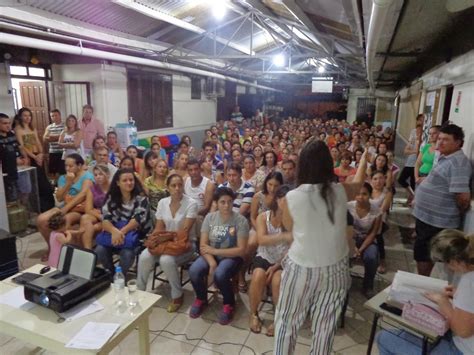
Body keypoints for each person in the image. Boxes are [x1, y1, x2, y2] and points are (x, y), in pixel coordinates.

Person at [274, 140, 367, 354]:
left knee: (287, 323)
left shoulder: (292, 197)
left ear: (302, 166)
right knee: (325, 329)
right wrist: (364, 160)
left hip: (301, 268)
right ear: (328, 165)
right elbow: (360, 181)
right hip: (336, 269)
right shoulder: (340, 191)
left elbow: (289, 228)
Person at [376, 229, 474, 355]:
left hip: (462, 350)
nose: (448, 268)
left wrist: (443, 302)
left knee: (383, 338)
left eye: (446, 263)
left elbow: (463, 331)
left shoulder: (469, 281)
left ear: (455, 261)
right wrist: (458, 294)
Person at [413, 124, 471, 276]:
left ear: (458, 142)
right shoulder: (446, 158)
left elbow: (463, 197)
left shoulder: (458, 163)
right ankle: (423, 280)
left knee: (425, 253)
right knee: (422, 251)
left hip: (437, 221)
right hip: (429, 218)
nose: (439, 142)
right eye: (439, 138)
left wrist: (450, 212)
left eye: (445, 139)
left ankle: (423, 282)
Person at [188, 187, 249, 324]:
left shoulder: (240, 221)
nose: (226, 205)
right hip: (210, 255)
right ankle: (201, 298)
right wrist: (212, 262)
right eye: (222, 202)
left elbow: (241, 250)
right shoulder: (210, 218)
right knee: (194, 270)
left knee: (220, 274)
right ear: (216, 203)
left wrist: (215, 252)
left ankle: (229, 304)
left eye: (229, 202)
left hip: (232, 257)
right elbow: (203, 246)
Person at [137, 174, 197, 312]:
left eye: (180, 185)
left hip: (185, 244)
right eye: (173, 185)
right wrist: (154, 238)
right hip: (166, 243)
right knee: (145, 256)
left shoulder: (191, 203)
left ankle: (177, 295)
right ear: (167, 188)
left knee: (166, 260)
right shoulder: (163, 203)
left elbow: (184, 232)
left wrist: (165, 237)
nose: (177, 188)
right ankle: (140, 291)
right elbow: (159, 227)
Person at [249, 185, 291, 336]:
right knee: (257, 276)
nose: (286, 204)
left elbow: (293, 249)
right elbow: (262, 240)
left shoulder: (293, 220)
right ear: (277, 200)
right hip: (265, 255)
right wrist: (283, 236)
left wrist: (276, 267)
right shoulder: (264, 217)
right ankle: (253, 314)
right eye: (284, 200)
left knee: (277, 280)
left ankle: (277, 318)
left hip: (283, 259)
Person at [36, 154, 94, 261]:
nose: (67, 168)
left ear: (79, 165)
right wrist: (68, 182)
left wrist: (66, 208)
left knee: (64, 220)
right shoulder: (63, 178)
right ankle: (51, 248)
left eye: (71, 166)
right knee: (41, 219)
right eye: (66, 166)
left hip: (77, 209)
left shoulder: (87, 176)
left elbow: (83, 194)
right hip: (64, 206)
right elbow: (59, 197)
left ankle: (66, 252)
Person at [95, 168, 151, 276]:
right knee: (100, 249)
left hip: (134, 236)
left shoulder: (142, 198)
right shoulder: (110, 198)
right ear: (117, 183)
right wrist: (114, 231)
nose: (129, 183)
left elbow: (137, 220)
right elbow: (105, 220)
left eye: (131, 180)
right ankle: (111, 274)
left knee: (127, 253)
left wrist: (120, 233)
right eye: (125, 180)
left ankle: (119, 275)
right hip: (114, 234)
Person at [14, 107, 55, 212]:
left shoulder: (33, 128)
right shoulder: (18, 129)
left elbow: (37, 141)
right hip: (30, 157)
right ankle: (39, 208)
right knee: (35, 182)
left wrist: (41, 154)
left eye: (29, 115)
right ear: (20, 117)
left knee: (44, 181)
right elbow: (22, 146)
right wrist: (34, 157)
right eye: (25, 115)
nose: (28, 118)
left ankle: (49, 206)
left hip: (38, 155)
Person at [347, 182, 382, 298]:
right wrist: (353, 246)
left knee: (371, 256)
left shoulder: (376, 210)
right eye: (357, 194)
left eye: (364, 194)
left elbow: (373, 233)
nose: (360, 197)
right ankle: (343, 281)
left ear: (370, 195)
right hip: (349, 238)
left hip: (366, 240)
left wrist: (360, 249)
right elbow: (344, 229)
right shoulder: (348, 207)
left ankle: (368, 285)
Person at [79, 164, 110, 249]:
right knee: (85, 218)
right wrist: (100, 216)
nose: (98, 177)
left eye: (101, 174)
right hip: (98, 214)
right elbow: (88, 209)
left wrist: (104, 215)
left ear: (107, 175)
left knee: (90, 227)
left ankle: (86, 251)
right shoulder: (92, 188)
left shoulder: (114, 187)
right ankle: (88, 251)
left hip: (111, 215)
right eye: (95, 175)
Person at [370, 171, 393, 274]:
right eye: (375, 179)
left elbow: (382, 210)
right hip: (366, 217)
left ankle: (382, 261)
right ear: (371, 180)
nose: (378, 181)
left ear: (384, 179)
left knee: (378, 235)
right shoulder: (367, 190)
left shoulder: (387, 193)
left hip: (380, 218)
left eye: (380, 178)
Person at [0, 113, 25, 203]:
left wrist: (24, 157)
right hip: (6, 175)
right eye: (5, 123)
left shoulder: (11, 134)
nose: (8, 125)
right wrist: (14, 159)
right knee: (10, 198)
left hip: (20, 169)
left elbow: (19, 148)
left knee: (25, 190)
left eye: (9, 123)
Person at [398, 117, 422, 205]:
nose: (417, 133)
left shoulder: (424, 142)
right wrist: (415, 151)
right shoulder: (413, 140)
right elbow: (406, 151)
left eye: (419, 131)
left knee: (413, 182)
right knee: (401, 179)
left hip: (417, 164)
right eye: (417, 131)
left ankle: (412, 199)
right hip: (410, 162)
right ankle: (411, 195)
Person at [43, 109, 65, 178]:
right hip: (52, 152)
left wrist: (51, 137)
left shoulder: (65, 126)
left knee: (62, 172)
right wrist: (59, 137)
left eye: (56, 115)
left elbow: (64, 137)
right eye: (52, 116)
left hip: (63, 152)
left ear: (60, 115)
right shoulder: (49, 127)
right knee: (53, 172)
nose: (54, 117)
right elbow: (45, 139)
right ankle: (55, 186)